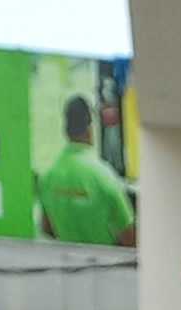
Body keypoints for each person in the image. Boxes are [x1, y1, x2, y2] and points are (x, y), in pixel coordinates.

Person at [35, 92, 137, 246]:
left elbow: (47, 228)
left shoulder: (48, 176)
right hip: (104, 259)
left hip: (67, 259)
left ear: (65, 130)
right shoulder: (103, 176)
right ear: (90, 129)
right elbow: (130, 238)